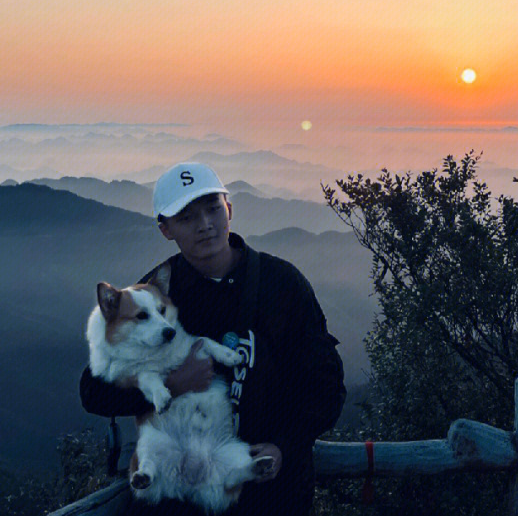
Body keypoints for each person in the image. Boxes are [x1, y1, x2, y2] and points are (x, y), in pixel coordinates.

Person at [79, 162, 345, 515]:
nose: (205, 224)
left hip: (273, 495)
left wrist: (284, 447)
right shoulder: (156, 298)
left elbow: (325, 384)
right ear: (165, 228)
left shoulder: (282, 284)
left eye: (213, 209)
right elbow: (94, 391)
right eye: (187, 217)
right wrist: (173, 383)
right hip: (182, 502)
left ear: (229, 209)